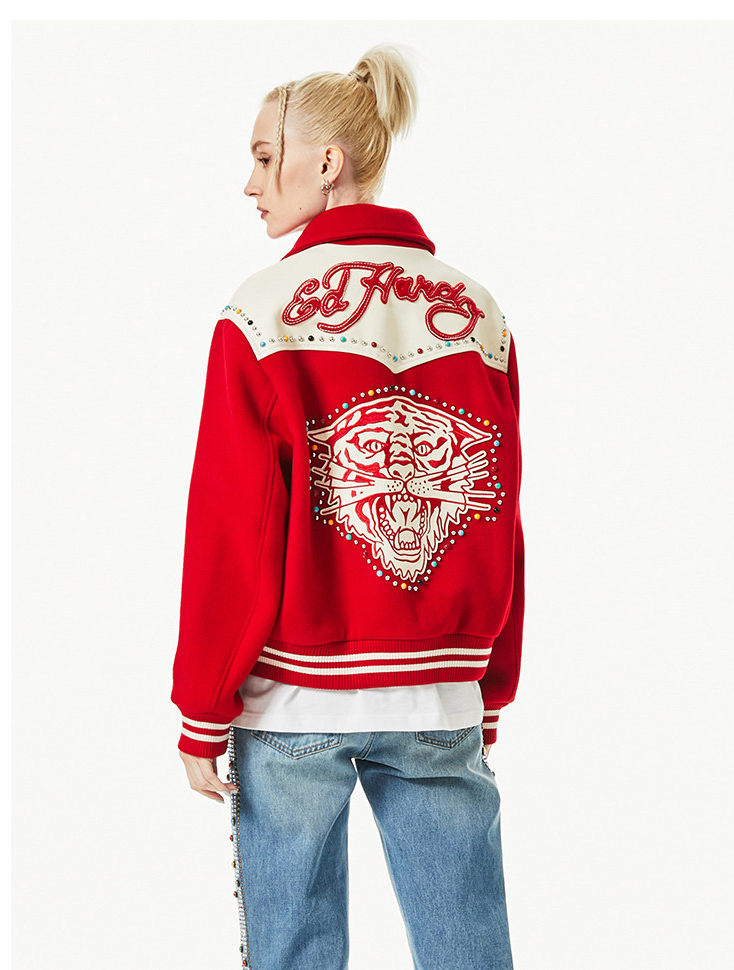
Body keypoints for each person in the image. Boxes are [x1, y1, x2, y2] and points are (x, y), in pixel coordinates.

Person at [171, 42, 525, 970]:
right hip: (438, 686)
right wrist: (489, 686)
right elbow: (501, 514)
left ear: (325, 161)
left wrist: (202, 704)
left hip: (295, 699)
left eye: (264, 157)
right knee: (469, 950)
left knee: (293, 955)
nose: (250, 183)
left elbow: (232, 529)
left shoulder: (261, 313)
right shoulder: (479, 314)